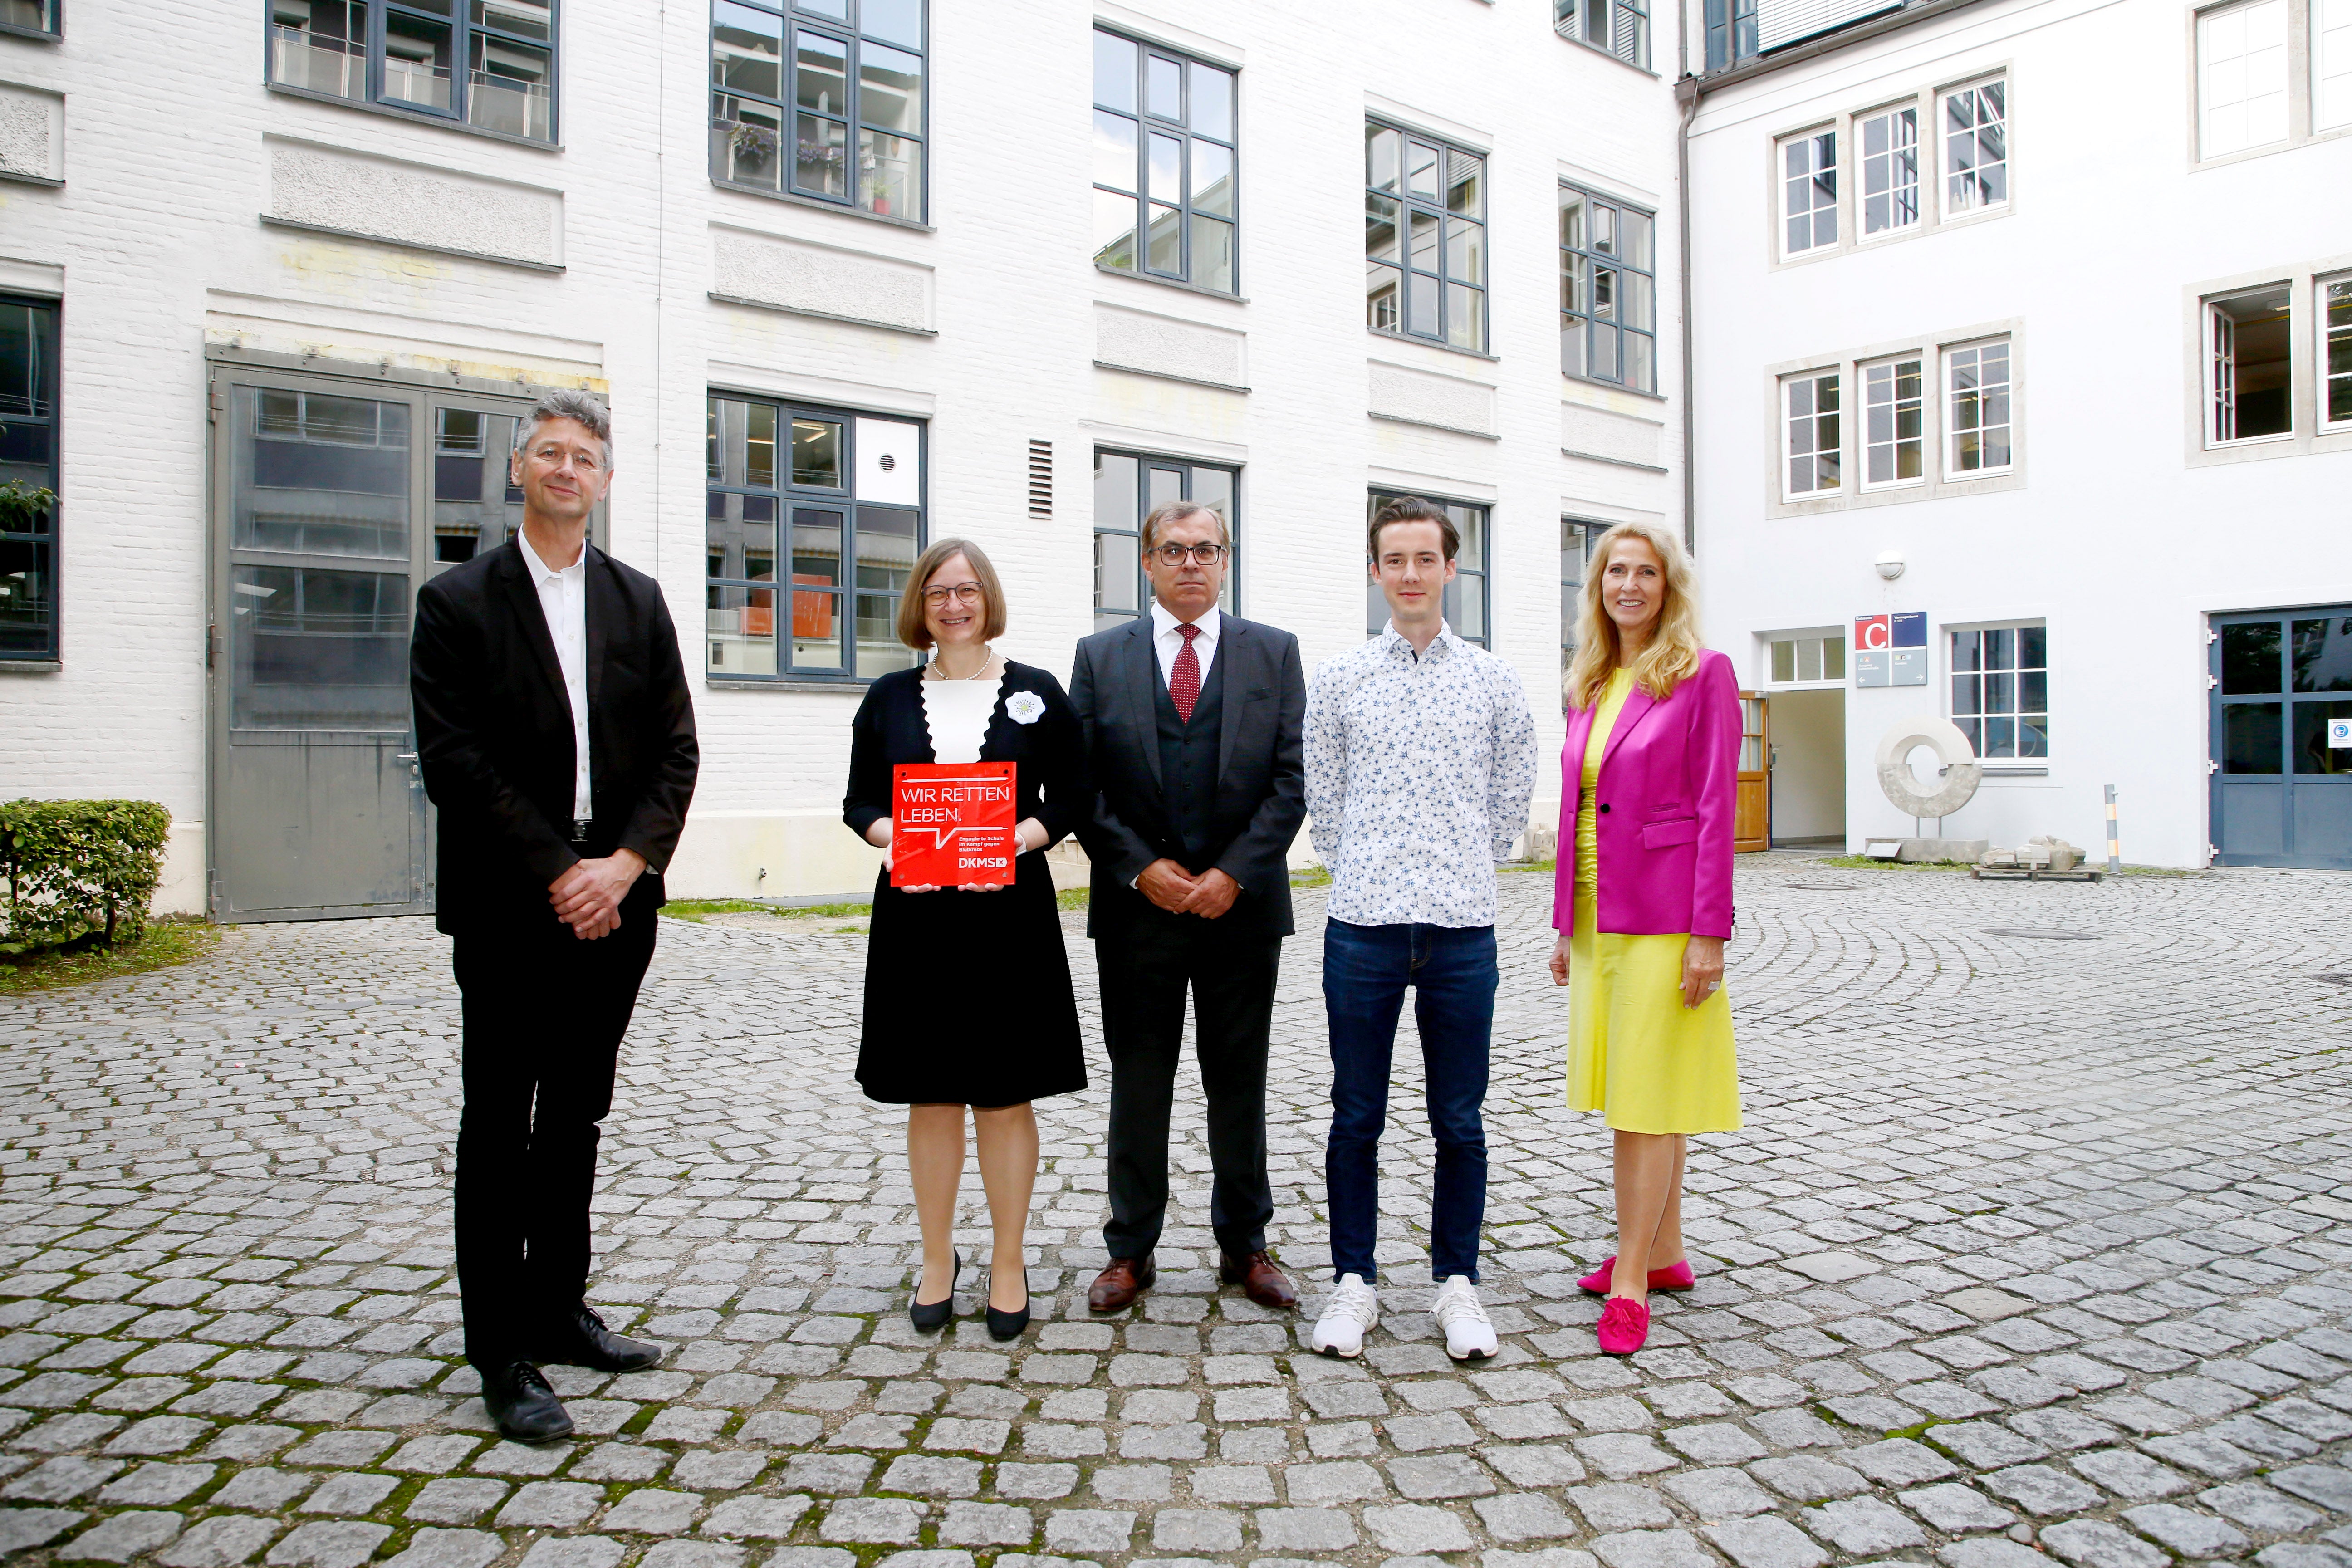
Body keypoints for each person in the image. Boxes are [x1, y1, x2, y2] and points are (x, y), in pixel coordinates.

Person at [410, 389, 700, 1443]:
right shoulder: (457, 603)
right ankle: (501, 1350)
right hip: (507, 902)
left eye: (585, 455)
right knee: (499, 1122)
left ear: (606, 479)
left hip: (619, 902)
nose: (567, 469)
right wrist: (558, 870)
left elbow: (676, 751)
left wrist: (621, 866)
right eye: (549, 453)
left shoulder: (639, 601)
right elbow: (456, 763)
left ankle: (559, 1307)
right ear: (520, 473)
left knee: (577, 1111)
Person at [1302, 496, 1536, 1361]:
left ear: (1449, 568)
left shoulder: (1493, 681)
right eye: (1394, 559)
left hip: (1462, 930)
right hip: (1361, 925)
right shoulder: (1339, 680)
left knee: (1459, 1120)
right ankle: (1353, 1283)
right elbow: (1321, 799)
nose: (1410, 575)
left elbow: (1512, 796)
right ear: (1376, 571)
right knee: (1355, 1114)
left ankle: (1456, 1283)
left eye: (1425, 559)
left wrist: (1460, 862)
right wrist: (1363, 862)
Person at [843, 537, 1088, 1342]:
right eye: (940, 591)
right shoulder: (885, 697)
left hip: (1008, 916)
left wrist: (1020, 837)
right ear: (921, 603)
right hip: (918, 917)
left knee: (1006, 1092)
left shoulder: (1037, 692)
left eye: (969, 590)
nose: (955, 604)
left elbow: (1075, 794)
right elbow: (859, 802)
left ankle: (1010, 1260)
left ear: (989, 599)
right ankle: (939, 1257)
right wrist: (895, 834)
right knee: (931, 1090)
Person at [1068, 502, 1308, 1315]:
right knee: (1141, 1081)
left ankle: (1246, 1244)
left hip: (1241, 912)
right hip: (1139, 914)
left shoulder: (1273, 653)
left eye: (1206, 549)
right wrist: (1142, 871)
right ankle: (1129, 1250)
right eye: (1173, 551)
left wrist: (1233, 874)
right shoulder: (1100, 658)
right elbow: (1082, 788)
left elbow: (1290, 779)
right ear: (1146, 563)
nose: (1190, 564)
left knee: (1238, 1081)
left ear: (1227, 559)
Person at [1548, 519, 1742, 1357]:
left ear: (1670, 588)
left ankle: (1631, 1278)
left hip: (1666, 920)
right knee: (1639, 1090)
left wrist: (1709, 934)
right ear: (1599, 585)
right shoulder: (1592, 680)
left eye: (1647, 574)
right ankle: (1664, 1253)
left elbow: (1715, 811)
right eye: (1616, 571)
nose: (1630, 585)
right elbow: (1577, 811)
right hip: (1598, 916)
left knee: (1646, 1098)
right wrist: (1564, 924)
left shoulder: (1704, 676)